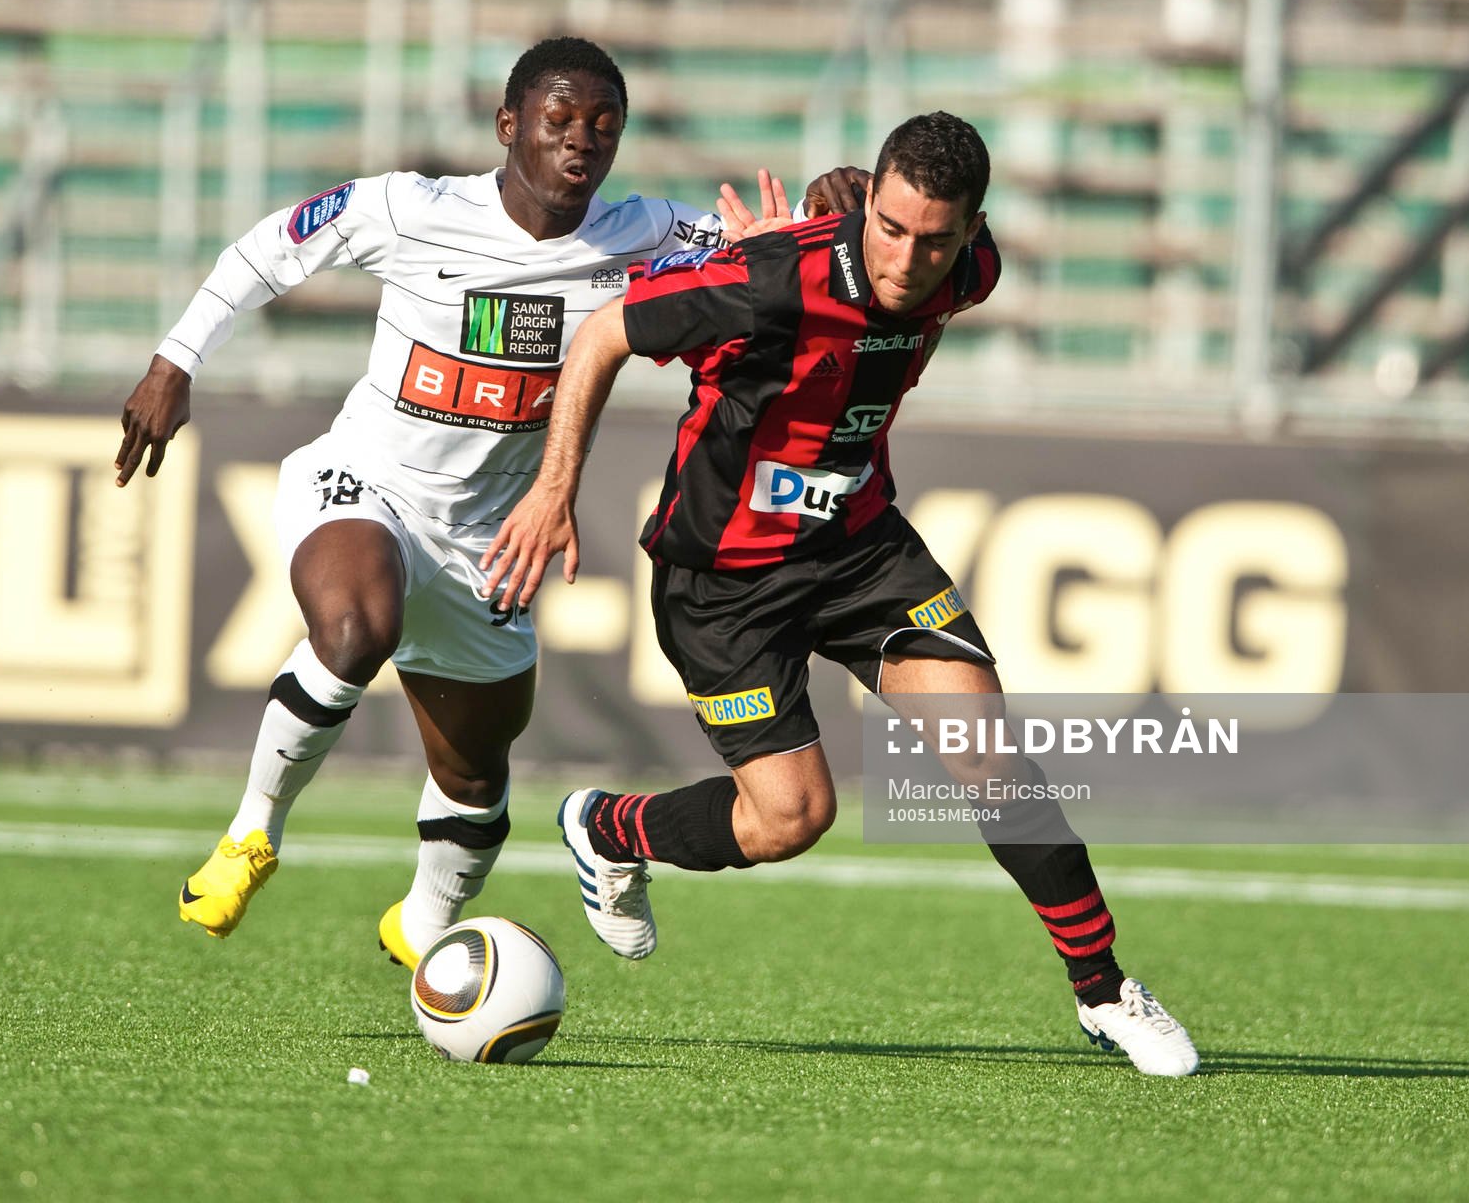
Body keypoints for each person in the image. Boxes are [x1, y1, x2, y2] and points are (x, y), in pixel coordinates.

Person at [112, 36, 858, 968]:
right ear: (509, 126)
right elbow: (271, 247)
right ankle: (251, 833)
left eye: (603, 128)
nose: (579, 142)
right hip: (368, 482)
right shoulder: (407, 206)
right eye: (557, 121)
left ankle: (420, 932)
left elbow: (786, 254)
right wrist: (173, 362)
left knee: (472, 783)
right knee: (354, 631)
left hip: (491, 538)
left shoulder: (648, 234)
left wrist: (831, 209)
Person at [481, 111, 1200, 1077]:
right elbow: (608, 331)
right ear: (872, 212)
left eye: (934, 239)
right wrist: (553, 488)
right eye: (890, 230)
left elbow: (908, 318)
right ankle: (608, 829)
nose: (908, 259)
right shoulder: (771, 280)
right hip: (723, 582)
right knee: (790, 820)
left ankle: (1105, 992)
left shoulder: (971, 272)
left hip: (860, 552)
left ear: (970, 231)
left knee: (992, 758)